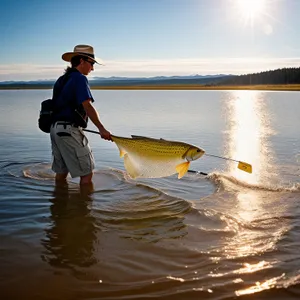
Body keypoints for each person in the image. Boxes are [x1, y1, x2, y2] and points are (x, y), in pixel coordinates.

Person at [50, 44, 112, 185]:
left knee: (61, 172)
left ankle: (58, 203)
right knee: (87, 173)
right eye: (91, 63)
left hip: (55, 130)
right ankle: (85, 206)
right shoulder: (79, 79)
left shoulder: (62, 79)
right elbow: (87, 106)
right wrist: (102, 129)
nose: (93, 68)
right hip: (68, 131)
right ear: (82, 61)